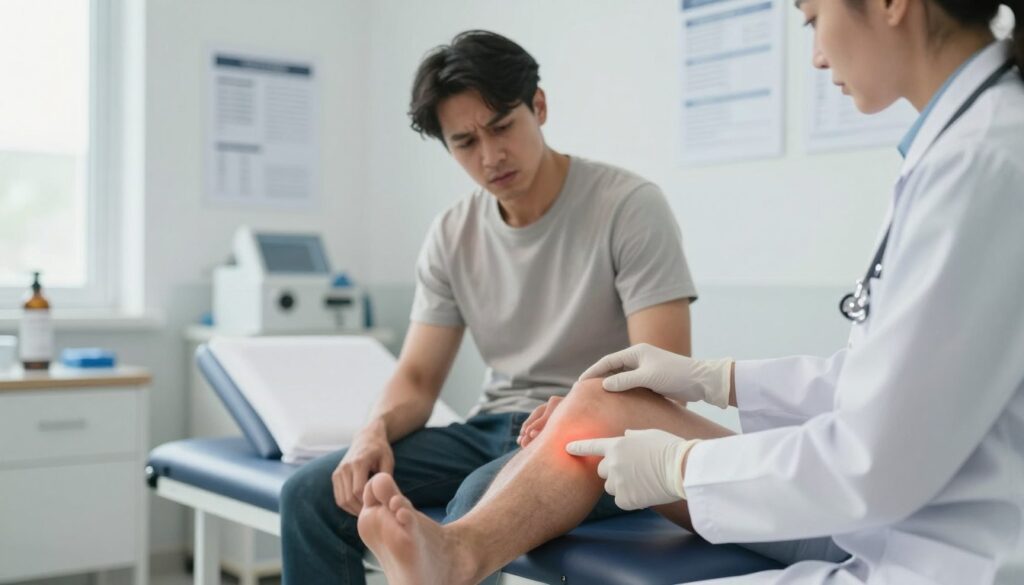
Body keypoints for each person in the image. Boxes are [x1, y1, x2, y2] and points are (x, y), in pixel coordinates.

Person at [356, 1, 1024, 584]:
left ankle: (459, 555)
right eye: (464, 142)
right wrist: (720, 378)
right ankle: (457, 553)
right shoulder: (954, 151)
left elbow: (874, 458)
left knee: (545, 447)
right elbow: (886, 387)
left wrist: (684, 466)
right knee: (598, 403)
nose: (817, 57)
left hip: (933, 549)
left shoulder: (983, 162)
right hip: (890, 511)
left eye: (814, 20)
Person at [278, 30, 700, 584]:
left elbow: (663, 372)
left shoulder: (627, 208)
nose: (491, 155)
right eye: (465, 142)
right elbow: (418, 375)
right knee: (309, 495)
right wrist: (371, 432)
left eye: (502, 127)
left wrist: (578, 408)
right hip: (493, 426)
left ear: (539, 107)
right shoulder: (452, 233)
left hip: (593, 437)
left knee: (478, 506)